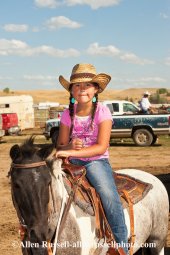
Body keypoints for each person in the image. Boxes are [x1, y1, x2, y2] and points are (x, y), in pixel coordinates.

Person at [56, 63, 128, 254]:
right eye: (77, 85)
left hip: (96, 161)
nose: (82, 90)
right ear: (71, 90)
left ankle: (121, 246)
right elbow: (61, 145)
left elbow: (101, 147)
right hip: (71, 161)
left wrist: (72, 152)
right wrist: (68, 147)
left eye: (87, 85)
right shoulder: (67, 114)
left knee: (108, 195)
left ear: (96, 89)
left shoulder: (102, 112)